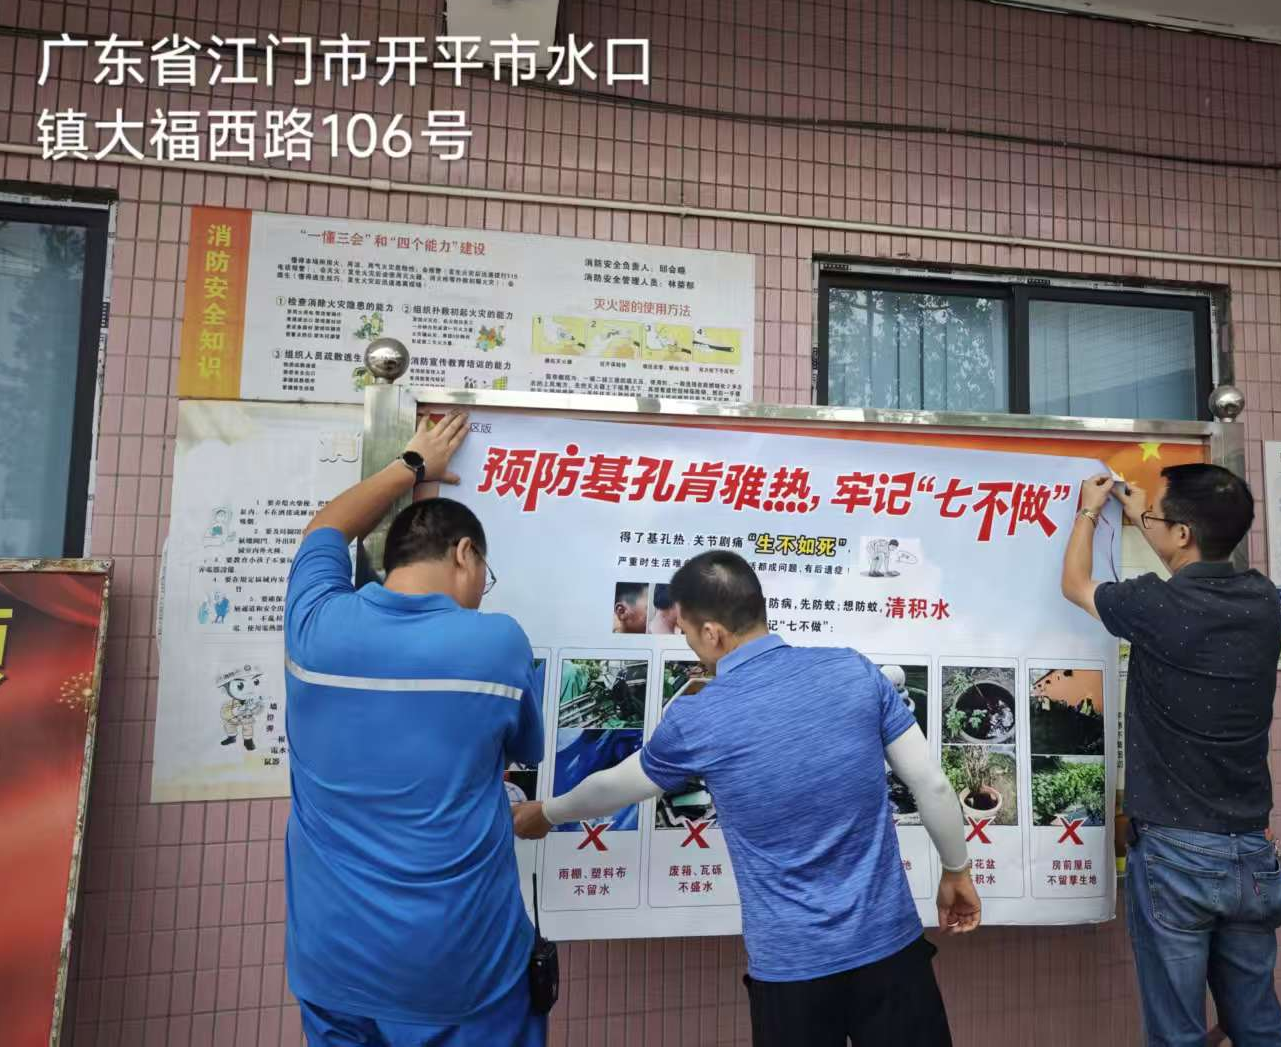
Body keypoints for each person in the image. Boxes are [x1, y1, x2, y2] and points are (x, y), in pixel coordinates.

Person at [513, 550, 981, 1047]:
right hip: (891, 951)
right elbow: (932, 784)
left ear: (712, 633)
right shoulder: (853, 670)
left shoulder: (698, 717)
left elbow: (613, 786)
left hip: (790, 972)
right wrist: (957, 871)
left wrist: (547, 812)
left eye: (687, 634)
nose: (690, 645)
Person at [283, 411, 547, 1047]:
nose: (482, 590)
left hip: (331, 967)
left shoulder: (313, 624)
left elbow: (325, 528)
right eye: (484, 574)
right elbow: (525, 750)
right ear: (465, 553)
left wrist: (412, 464)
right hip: (461, 972)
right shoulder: (495, 644)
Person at [1060, 464, 1281, 1047]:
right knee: (1257, 1023)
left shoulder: (1153, 604)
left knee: (1177, 1032)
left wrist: (1088, 512)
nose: (1150, 520)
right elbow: (1191, 573)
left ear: (1182, 533)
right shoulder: (1263, 600)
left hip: (1176, 857)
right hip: (1252, 854)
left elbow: (1076, 584)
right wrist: (1149, 514)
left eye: (1157, 517)